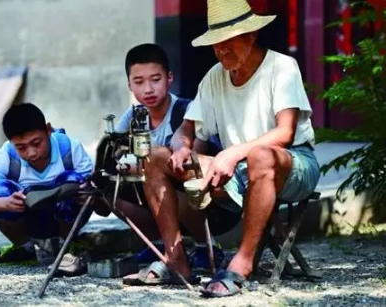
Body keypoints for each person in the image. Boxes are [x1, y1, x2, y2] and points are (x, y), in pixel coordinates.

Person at [125, 0, 320, 297]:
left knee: (260, 156)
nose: (222, 52)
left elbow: (286, 132)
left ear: (251, 35)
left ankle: (241, 264)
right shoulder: (215, 76)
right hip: (236, 167)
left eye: (229, 43)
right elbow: (186, 130)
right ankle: (176, 258)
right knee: (155, 155)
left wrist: (232, 152)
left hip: (291, 163)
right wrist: (181, 148)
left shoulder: (281, 66)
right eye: (217, 45)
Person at [111, 43, 227, 271]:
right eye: (139, 82)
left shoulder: (186, 111)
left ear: (169, 78)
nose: (148, 89)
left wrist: (142, 164)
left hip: (204, 200)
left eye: (155, 79)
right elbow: (116, 156)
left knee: (173, 182)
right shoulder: (133, 117)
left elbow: (196, 162)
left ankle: (206, 245)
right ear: (129, 85)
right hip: (156, 196)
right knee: (111, 193)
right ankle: (159, 245)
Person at [0, 103, 107, 270]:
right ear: (11, 143)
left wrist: (89, 195)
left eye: (36, 143)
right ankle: (24, 248)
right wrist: (5, 203)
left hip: (66, 218)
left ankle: (69, 244)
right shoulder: (7, 155)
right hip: (29, 220)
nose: (31, 153)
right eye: (21, 147)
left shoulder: (69, 148)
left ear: (48, 130)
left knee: (74, 180)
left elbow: (102, 201)